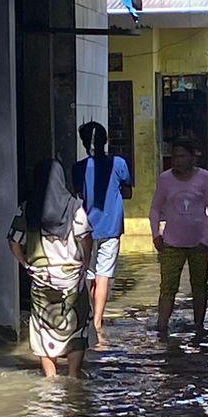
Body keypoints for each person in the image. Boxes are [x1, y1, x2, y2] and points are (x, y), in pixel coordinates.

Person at [9, 159, 94, 378]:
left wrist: (25, 263)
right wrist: (85, 262)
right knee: (76, 325)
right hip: (72, 278)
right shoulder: (74, 206)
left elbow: (13, 240)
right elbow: (85, 237)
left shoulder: (27, 208)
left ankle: (51, 377)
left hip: (41, 279)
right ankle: (74, 374)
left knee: (43, 326)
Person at [149, 137, 208, 336]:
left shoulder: (204, 178)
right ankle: (162, 327)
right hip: (171, 244)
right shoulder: (165, 179)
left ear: (192, 157)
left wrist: (207, 240)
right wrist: (156, 234)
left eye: (181, 156)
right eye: (174, 156)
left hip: (199, 244)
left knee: (200, 287)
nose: (177, 160)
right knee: (167, 288)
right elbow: (154, 209)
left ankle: (199, 327)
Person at [74, 120, 133, 345]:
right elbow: (127, 191)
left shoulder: (78, 167)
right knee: (104, 274)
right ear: (106, 140)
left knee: (87, 273)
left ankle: (88, 318)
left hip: (86, 228)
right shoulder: (118, 164)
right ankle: (98, 321)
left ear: (83, 142)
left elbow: (77, 193)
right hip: (111, 226)